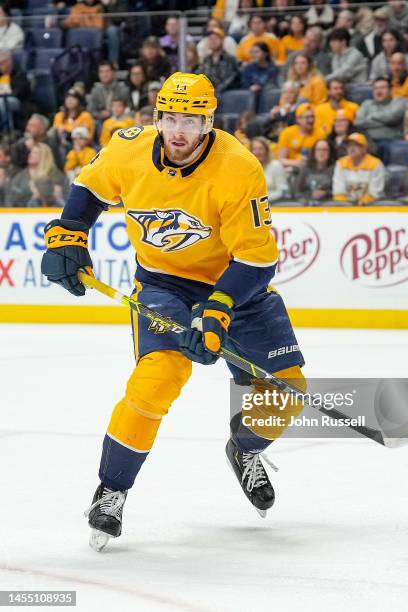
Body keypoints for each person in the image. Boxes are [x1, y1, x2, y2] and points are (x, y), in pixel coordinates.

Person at [40, 72, 306, 549]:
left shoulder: (239, 167)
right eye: (170, 117)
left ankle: (243, 448)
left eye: (191, 119)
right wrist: (69, 232)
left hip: (232, 283)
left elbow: (258, 259)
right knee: (157, 377)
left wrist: (218, 310)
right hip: (162, 283)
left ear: (208, 122)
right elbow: (90, 187)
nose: (178, 130)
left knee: (287, 391)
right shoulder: (128, 147)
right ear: (157, 117)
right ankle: (111, 491)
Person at [354, 77, 407, 162]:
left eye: (383, 88)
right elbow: (358, 122)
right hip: (369, 141)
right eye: (376, 88)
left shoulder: (399, 101)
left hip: (390, 142)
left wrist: (371, 117)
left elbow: (392, 117)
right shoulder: (366, 104)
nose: (379, 91)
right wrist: (385, 123)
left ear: (390, 90)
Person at [333, 132, 385, 205]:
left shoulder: (375, 164)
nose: (351, 148)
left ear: (364, 148)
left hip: (370, 207)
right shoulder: (340, 163)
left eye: (356, 145)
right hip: (346, 207)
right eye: (349, 145)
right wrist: (344, 206)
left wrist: (361, 204)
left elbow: (375, 192)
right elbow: (338, 191)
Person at [278, 103, 326, 170]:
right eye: (307, 117)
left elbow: (323, 157)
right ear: (298, 119)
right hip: (291, 168)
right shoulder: (287, 133)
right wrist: (297, 163)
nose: (311, 120)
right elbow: (281, 160)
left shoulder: (321, 133)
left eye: (312, 117)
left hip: (313, 168)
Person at [197, 28, 239, 94]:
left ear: (222, 40)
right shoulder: (206, 59)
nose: (212, 41)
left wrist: (217, 90)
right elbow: (201, 75)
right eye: (210, 39)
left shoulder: (230, 59)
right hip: (208, 93)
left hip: (226, 93)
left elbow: (232, 79)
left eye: (215, 39)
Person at [294, 138, 334, 204]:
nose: (321, 152)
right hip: (307, 206)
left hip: (329, 206)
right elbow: (297, 192)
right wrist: (310, 194)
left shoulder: (334, 170)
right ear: (314, 152)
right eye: (318, 149)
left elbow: (339, 192)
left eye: (325, 150)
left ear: (330, 152)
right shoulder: (305, 169)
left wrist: (325, 193)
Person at [0, 49, 31, 131]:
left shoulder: (19, 74)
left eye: (2, 63)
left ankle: (5, 131)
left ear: (9, 61)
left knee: (2, 103)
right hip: (3, 98)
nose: (0, 66)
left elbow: (19, 92)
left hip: (19, 101)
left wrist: (4, 95)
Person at [250, 136, 288, 202]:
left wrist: (262, 200)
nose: (257, 152)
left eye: (261, 149)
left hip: (274, 205)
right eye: (254, 149)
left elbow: (282, 190)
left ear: (267, 151)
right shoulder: (249, 169)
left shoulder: (276, 165)